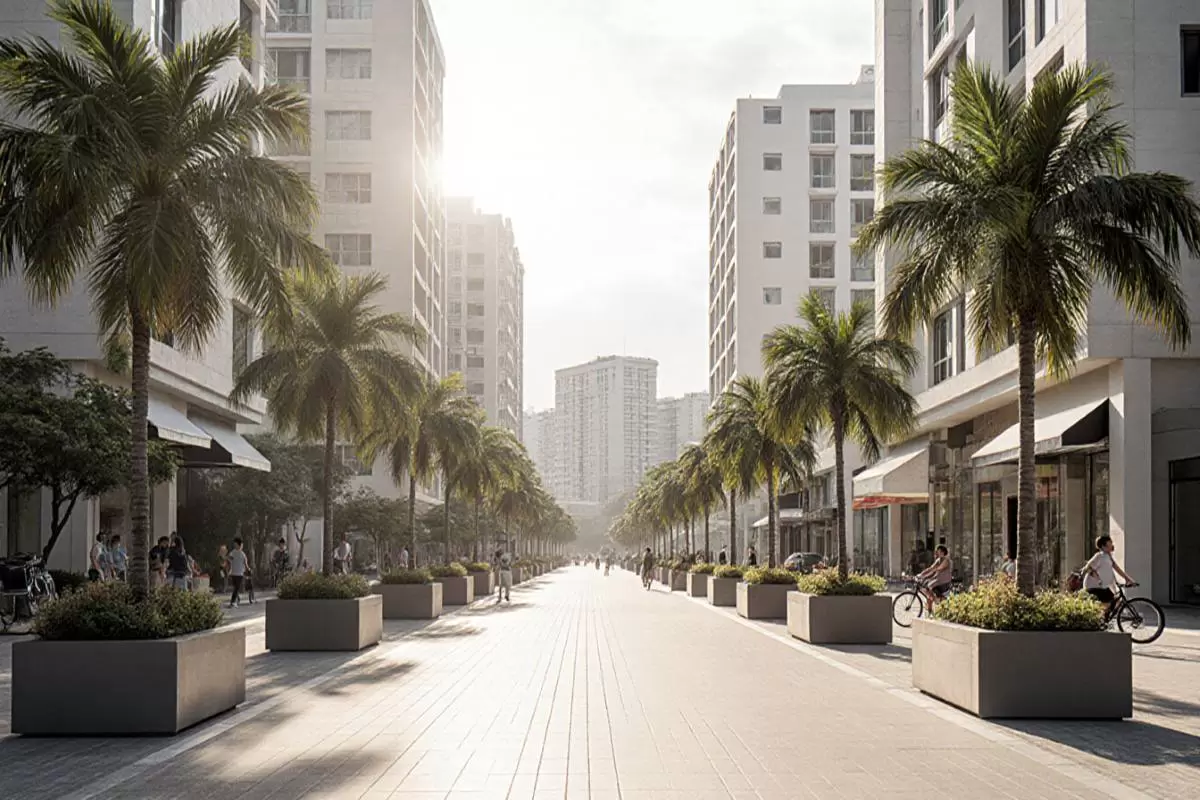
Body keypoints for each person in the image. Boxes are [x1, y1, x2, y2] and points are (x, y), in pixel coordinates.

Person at [1083, 535, 1135, 618]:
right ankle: (1099, 619)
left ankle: (1102, 619)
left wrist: (1129, 579)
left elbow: (1117, 569)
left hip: (1102, 587)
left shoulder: (1108, 556)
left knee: (1115, 601)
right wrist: (1098, 579)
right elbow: (1088, 568)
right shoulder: (1099, 556)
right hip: (1093, 586)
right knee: (1108, 603)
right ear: (1103, 546)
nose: (1112, 544)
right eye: (1110, 543)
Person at [226, 538, 248, 607]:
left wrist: (248, 569)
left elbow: (245, 563)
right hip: (233, 573)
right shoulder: (232, 552)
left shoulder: (242, 554)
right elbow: (229, 559)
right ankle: (237, 598)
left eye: (236, 544)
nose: (234, 545)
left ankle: (232, 602)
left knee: (236, 588)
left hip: (240, 574)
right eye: (234, 544)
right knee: (235, 587)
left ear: (240, 545)